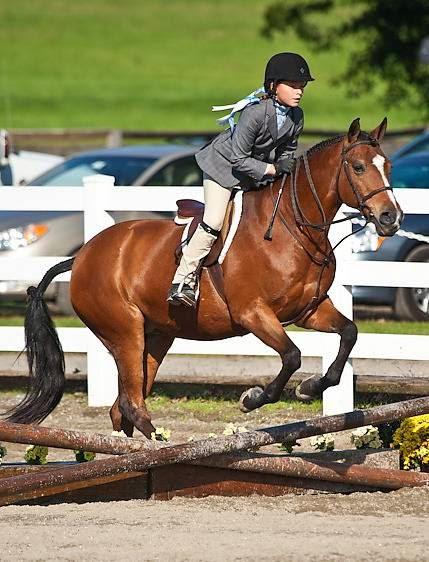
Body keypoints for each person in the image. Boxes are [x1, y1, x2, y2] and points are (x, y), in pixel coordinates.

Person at [167, 52, 314, 308]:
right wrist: (272, 169)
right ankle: (183, 279)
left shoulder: (296, 117)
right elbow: (238, 159)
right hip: (224, 170)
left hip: (252, 175)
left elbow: (287, 154)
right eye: (292, 85)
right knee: (213, 220)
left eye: (301, 86)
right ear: (272, 86)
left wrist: (285, 172)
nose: (298, 91)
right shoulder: (255, 114)